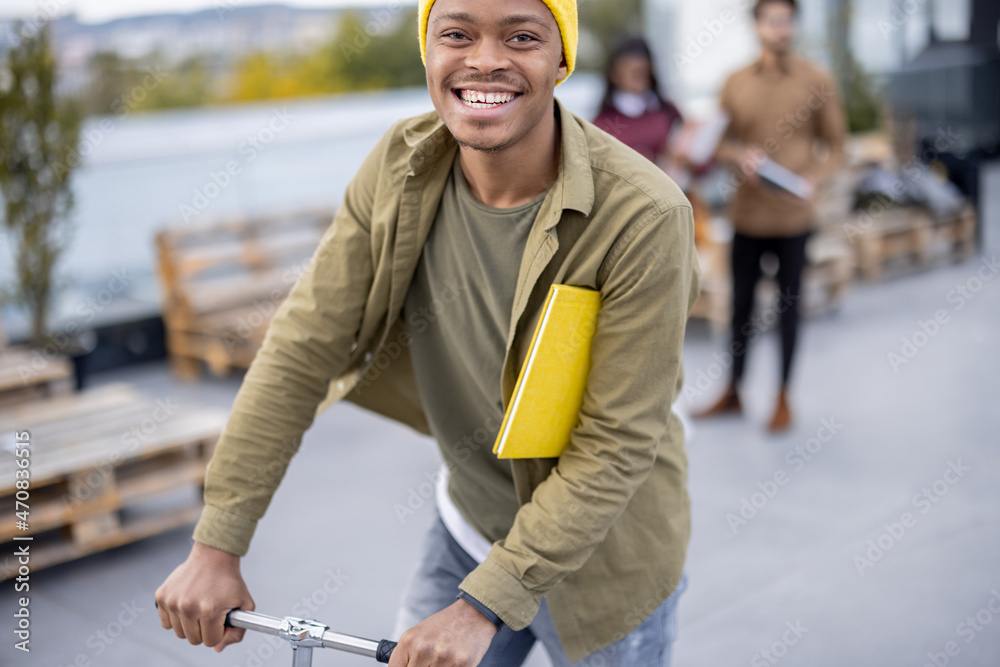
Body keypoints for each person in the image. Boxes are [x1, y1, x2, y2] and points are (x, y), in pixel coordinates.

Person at [155, 0, 700, 665]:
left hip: (609, 556)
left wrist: (484, 605)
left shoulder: (644, 214)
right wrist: (218, 543)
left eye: (521, 36)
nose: (486, 59)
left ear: (563, 59)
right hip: (470, 522)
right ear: (428, 50)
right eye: (457, 34)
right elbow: (301, 350)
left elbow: (614, 445)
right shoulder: (399, 166)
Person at [693, 0, 845, 432]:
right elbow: (715, 144)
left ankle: (782, 396)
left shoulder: (818, 79)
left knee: (788, 308)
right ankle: (734, 391)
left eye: (787, 20)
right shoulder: (735, 82)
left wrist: (815, 178)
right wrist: (738, 154)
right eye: (772, 20)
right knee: (739, 307)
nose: (781, 28)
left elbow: (836, 147)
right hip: (747, 215)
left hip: (794, 217)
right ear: (757, 26)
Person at [593, 36, 683, 167]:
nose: (638, 76)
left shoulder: (668, 111)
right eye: (633, 72)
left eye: (642, 72)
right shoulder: (602, 124)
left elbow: (701, 164)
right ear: (614, 74)